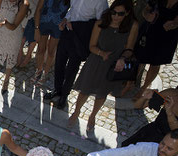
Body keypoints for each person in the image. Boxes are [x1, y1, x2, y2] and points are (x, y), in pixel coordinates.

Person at [68, 0, 138, 131]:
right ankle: (76, 112)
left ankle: (93, 116)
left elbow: (129, 48)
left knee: (102, 93)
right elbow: (92, 46)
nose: (116, 16)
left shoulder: (132, 26)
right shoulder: (100, 24)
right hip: (96, 61)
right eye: (114, 12)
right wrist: (102, 53)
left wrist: (122, 58)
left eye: (120, 14)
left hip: (114, 65)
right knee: (85, 90)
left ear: (127, 13)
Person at [44, 0, 108, 109]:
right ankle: (57, 89)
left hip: (81, 37)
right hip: (68, 32)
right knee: (59, 62)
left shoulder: (100, 2)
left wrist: (78, 27)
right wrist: (65, 19)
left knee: (72, 68)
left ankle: (64, 95)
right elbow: (73, 10)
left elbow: (100, 23)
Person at [133, 0, 178, 99]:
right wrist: (147, 16)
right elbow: (146, 10)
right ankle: (132, 81)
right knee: (139, 58)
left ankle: (143, 89)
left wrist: (174, 23)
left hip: (167, 38)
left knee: (155, 64)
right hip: (150, 31)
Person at [0, 0, 32, 93]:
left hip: (13, 35)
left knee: (10, 59)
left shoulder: (24, 4)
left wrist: (5, 22)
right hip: (0, 32)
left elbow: (14, 26)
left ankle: (6, 82)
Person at [28, 0, 70, 86]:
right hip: (44, 23)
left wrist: (66, 20)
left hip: (57, 26)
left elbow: (73, 11)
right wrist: (36, 28)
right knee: (40, 49)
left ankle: (45, 73)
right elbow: (38, 9)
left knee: (51, 52)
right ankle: (38, 71)